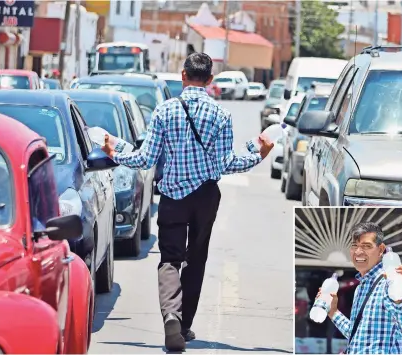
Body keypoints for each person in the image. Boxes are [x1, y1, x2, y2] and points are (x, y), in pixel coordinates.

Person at [101, 52, 274, 351]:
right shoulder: (221, 115)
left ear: (183, 76)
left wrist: (114, 152)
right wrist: (259, 154)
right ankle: (185, 325)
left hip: (172, 197)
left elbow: (145, 159)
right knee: (197, 259)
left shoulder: (164, 111)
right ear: (210, 81)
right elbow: (227, 164)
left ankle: (171, 315)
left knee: (170, 259)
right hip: (206, 197)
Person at [318, 222, 402, 354]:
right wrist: (333, 312)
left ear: (381, 249)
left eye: (366, 246)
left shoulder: (389, 281)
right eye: (355, 246)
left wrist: (398, 300)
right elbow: (358, 335)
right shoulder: (361, 287)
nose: (358, 252)